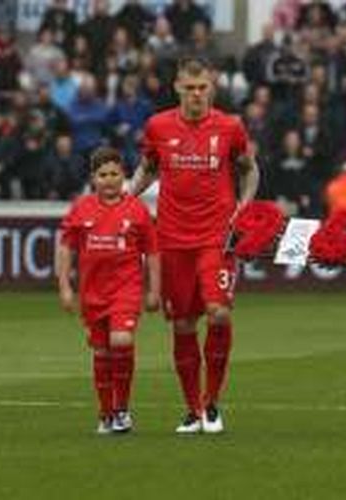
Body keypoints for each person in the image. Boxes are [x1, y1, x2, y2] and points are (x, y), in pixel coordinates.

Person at [129, 57, 259, 434]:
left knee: (218, 312)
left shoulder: (230, 126)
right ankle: (192, 410)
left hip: (215, 237)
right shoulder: (158, 125)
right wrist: (125, 198)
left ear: (212, 88)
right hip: (171, 238)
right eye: (190, 88)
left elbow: (249, 168)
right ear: (177, 88)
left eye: (202, 88)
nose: (196, 94)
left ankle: (212, 403)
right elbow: (148, 167)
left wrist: (244, 207)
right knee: (183, 323)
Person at [56, 146, 160, 435]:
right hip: (92, 293)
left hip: (126, 289)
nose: (110, 179)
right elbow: (65, 248)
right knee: (101, 352)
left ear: (123, 176)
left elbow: (153, 252)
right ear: (94, 178)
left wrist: (154, 291)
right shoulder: (81, 208)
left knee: (121, 340)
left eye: (115, 173)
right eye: (103, 175)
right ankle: (105, 413)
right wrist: (65, 287)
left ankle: (122, 409)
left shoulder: (137, 210)